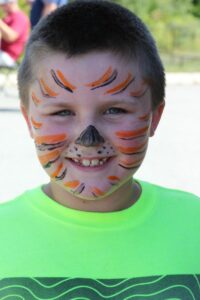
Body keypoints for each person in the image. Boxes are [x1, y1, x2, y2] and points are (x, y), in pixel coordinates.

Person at [0, 0, 200, 298]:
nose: (87, 139)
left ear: (154, 118)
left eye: (114, 110)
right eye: (62, 112)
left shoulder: (193, 227)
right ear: (30, 120)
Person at [0, 0, 29, 67]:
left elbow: (11, 37)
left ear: (11, 3)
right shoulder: (7, 17)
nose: (2, 7)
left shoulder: (19, 17)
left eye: (3, 5)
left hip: (8, 56)